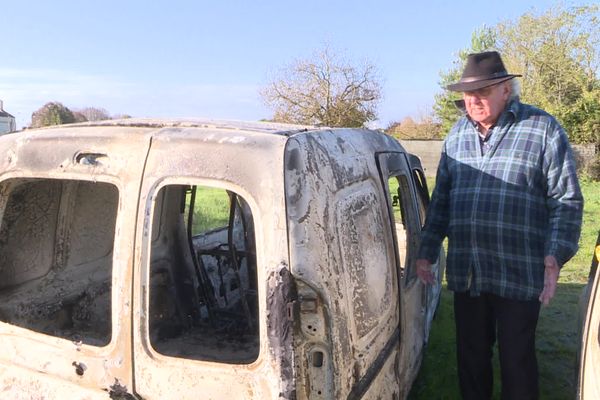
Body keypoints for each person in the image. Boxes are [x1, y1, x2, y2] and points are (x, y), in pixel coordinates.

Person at [416, 51, 583, 400]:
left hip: (518, 271)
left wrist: (556, 255)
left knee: (517, 363)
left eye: (483, 91)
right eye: (467, 93)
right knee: (471, 360)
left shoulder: (543, 129)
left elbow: (566, 199)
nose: (473, 100)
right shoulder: (457, 136)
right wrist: (427, 249)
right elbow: (442, 199)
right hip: (469, 272)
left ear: (506, 89)